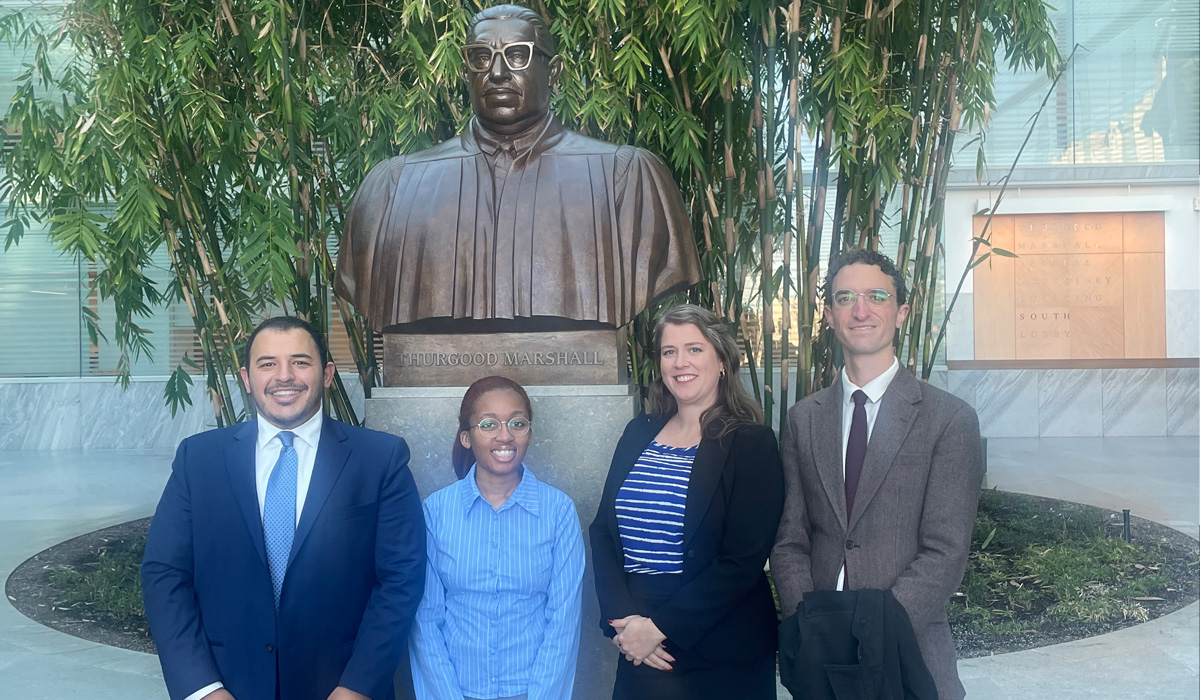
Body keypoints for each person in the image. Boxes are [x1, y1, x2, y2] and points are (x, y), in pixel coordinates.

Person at [334, 4, 701, 332]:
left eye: (518, 56)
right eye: (480, 57)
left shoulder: (624, 178)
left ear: (553, 72)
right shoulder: (395, 186)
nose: (496, 72)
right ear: (465, 73)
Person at [142, 317, 426, 700]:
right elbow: (164, 574)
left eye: (300, 362)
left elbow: (400, 579)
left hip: (340, 686)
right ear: (246, 378)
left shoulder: (379, 458)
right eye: (267, 364)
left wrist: (357, 687)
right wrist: (202, 688)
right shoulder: (199, 459)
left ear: (327, 374)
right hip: (226, 684)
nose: (284, 376)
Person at [770, 249, 985, 700]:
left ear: (901, 312)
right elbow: (790, 538)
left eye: (876, 296)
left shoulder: (949, 419)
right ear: (828, 315)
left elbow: (945, 551)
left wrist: (870, 632)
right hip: (819, 656)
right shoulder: (802, 420)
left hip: (909, 650)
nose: (860, 310)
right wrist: (809, 621)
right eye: (845, 297)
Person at [589, 304, 784, 700]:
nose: (681, 362)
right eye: (669, 351)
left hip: (721, 647)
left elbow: (741, 560)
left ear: (723, 360)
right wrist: (624, 625)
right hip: (640, 643)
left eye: (694, 349)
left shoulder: (751, 444)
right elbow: (603, 532)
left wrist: (659, 627)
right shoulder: (638, 432)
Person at [410, 376, 584, 700]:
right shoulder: (436, 511)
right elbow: (425, 621)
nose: (505, 436)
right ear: (466, 437)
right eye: (489, 424)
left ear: (529, 433)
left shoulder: (558, 512)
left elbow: (563, 623)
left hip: (531, 692)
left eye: (517, 423)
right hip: (456, 691)